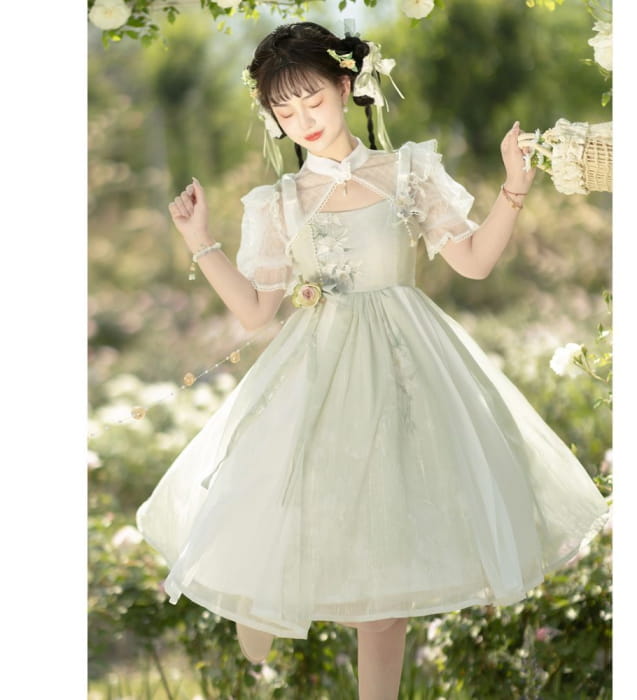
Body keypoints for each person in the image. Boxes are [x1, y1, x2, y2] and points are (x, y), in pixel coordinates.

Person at [135, 20, 609, 700]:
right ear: (271, 117)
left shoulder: (409, 172)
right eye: (286, 111)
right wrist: (199, 240)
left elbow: (474, 263)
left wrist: (514, 187)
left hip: (410, 374)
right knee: (284, 520)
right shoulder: (277, 203)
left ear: (346, 86)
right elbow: (257, 311)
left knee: (387, 578)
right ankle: (254, 613)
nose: (304, 121)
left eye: (313, 101)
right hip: (318, 379)